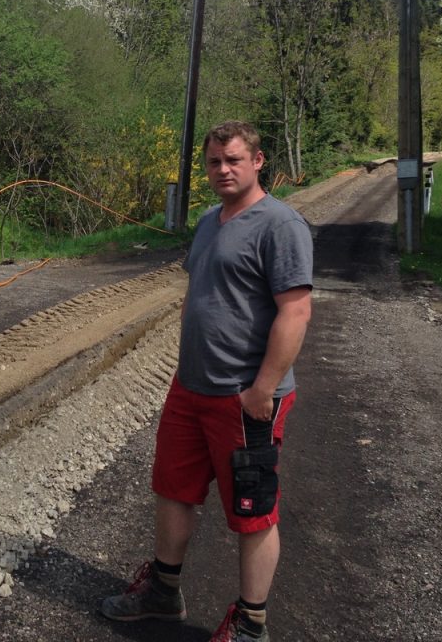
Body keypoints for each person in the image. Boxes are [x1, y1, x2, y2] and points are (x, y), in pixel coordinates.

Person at [101, 120, 313, 642]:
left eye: (234, 160)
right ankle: (162, 594)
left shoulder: (279, 225)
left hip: (244, 400)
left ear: (258, 161)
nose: (223, 169)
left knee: (252, 512)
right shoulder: (209, 221)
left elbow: (296, 311)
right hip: (190, 388)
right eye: (215, 162)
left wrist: (263, 389)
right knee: (174, 490)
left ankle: (250, 623)